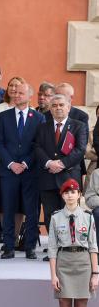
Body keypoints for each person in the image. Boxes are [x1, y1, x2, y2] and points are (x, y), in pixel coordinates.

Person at [48, 179, 98, 307]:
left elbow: (93, 246)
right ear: (62, 196)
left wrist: (95, 274)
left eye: (73, 192)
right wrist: (53, 275)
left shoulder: (88, 217)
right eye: (66, 192)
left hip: (83, 262)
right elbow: (52, 248)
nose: (70, 195)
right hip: (64, 262)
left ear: (79, 195)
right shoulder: (55, 218)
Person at [0, 83, 45, 259]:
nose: (16, 95)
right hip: (8, 171)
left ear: (29, 95)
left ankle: (30, 246)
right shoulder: (3, 116)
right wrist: (10, 163)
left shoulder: (39, 118)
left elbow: (39, 145)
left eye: (21, 92)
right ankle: (8, 245)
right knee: (8, 209)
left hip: (30, 171)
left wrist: (24, 163)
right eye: (14, 92)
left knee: (31, 210)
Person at [34, 94, 88, 223]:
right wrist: (49, 163)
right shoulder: (42, 127)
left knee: (71, 214)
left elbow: (80, 150)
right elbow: (37, 147)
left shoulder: (78, 126)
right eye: (54, 105)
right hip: (48, 177)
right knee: (50, 215)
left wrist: (61, 164)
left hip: (69, 177)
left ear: (68, 107)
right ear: (50, 109)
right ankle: (54, 243)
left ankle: (69, 243)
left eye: (61, 105)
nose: (58, 108)